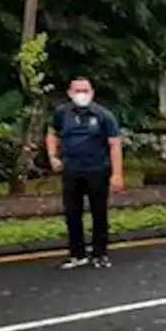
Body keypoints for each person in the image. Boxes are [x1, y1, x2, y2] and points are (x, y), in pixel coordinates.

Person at [46, 78, 123, 270]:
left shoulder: (103, 115)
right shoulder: (62, 113)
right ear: (70, 93)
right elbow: (51, 133)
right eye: (77, 90)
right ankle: (77, 253)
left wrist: (117, 174)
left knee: (99, 212)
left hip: (97, 169)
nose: (82, 94)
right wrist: (53, 156)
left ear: (92, 92)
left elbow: (114, 144)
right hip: (71, 170)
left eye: (85, 90)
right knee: (72, 213)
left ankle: (100, 253)